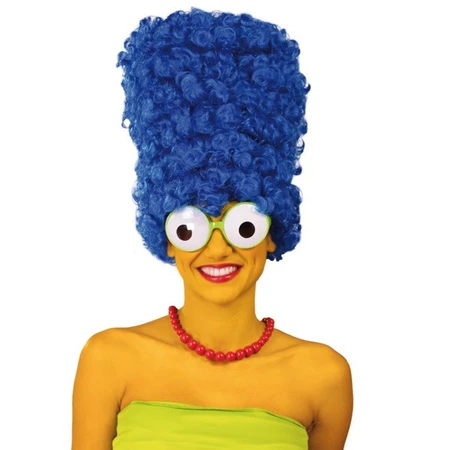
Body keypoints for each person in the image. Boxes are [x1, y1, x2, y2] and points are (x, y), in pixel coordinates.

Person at [72, 8, 353, 450]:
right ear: (167, 237)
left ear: (272, 231)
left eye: (243, 225)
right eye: (191, 226)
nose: (218, 249)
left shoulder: (322, 375)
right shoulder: (109, 359)